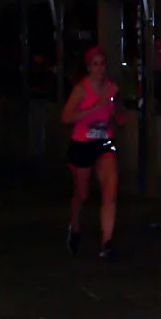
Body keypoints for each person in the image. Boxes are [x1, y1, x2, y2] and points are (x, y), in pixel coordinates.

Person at [59, 47, 125, 259]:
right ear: (89, 67)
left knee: (110, 189)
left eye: (102, 64)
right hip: (83, 143)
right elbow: (66, 117)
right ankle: (75, 225)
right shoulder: (81, 89)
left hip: (104, 142)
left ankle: (107, 242)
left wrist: (116, 102)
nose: (99, 68)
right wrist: (97, 105)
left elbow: (120, 117)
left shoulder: (109, 88)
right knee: (82, 193)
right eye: (95, 64)